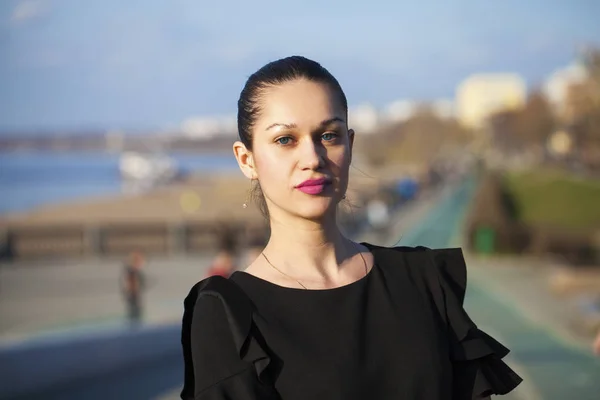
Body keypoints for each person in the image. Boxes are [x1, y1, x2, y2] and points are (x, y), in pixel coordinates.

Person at [180, 56, 522, 399]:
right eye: (285, 139)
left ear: (350, 145)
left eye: (329, 135)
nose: (313, 158)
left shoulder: (423, 279)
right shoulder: (230, 317)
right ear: (246, 159)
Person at [120, 250, 146, 324]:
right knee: (134, 314)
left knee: (135, 313)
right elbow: (131, 285)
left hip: (134, 296)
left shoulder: (133, 272)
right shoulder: (131, 272)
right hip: (133, 296)